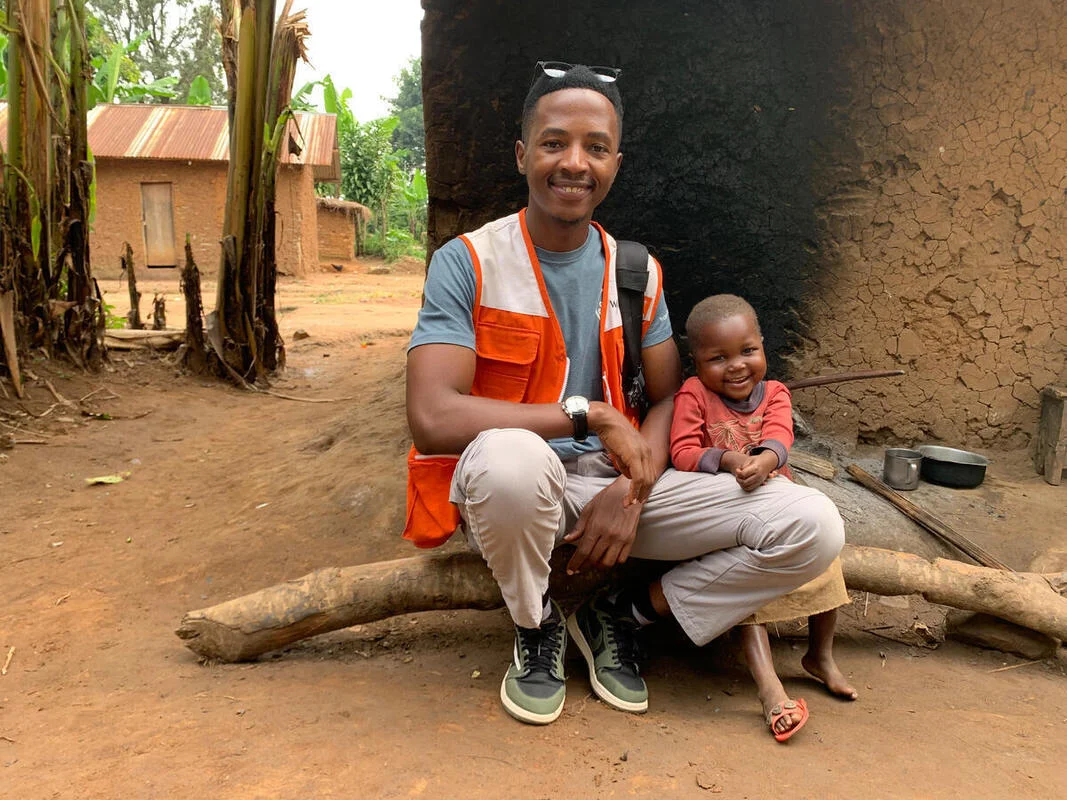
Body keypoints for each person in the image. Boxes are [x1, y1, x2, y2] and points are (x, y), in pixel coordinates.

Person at [404, 61, 845, 725]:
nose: (574, 163)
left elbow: (671, 399)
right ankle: (536, 624)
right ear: (523, 154)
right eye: (554, 143)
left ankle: (625, 615)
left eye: (596, 147)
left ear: (615, 163)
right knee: (511, 462)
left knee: (811, 525)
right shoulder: (467, 262)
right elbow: (433, 417)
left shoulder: (633, 271)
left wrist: (634, 487)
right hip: (517, 496)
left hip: (616, 488)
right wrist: (591, 415)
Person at [670, 293, 856, 742]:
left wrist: (768, 462)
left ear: (762, 346)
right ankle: (769, 687)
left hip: (780, 501)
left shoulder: (775, 392)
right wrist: (731, 461)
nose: (736, 366)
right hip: (728, 513)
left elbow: (778, 436)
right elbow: (681, 451)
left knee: (828, 556)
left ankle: (820, 655)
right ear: (695, 361)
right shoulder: (693, 394)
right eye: (719, 358)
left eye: (747, 351)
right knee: (747, 584)